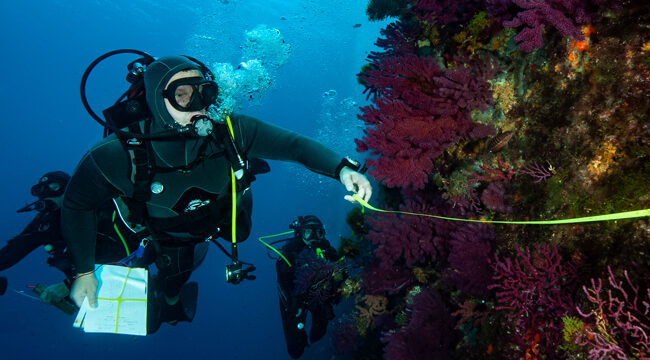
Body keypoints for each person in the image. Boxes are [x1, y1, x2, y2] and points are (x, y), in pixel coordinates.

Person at [63, 54, 373, 332]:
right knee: (173, 273)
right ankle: (166, 294)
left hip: (220, 213)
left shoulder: (231, 129)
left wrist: (341, 169)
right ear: (159, 101)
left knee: (240, 232)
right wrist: (84, 271)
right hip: (164, 231)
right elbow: (77, 204)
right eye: (182, 95)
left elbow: (292, 145)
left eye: (204, 93)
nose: (197, 104)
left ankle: (242, 172)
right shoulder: (116, 154)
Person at [0, 171, 135, 312]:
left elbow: (120, 253)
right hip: (87, 289)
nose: (48, 199)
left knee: (148, 322)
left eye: (54, 189)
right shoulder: (47, 221)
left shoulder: (96, 212)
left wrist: (69, 284)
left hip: (124, 280)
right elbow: (15, 249)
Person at [276, 215, 343, 359]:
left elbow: (341, 268)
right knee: (294, 348)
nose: (313, 237)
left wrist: (336, 286)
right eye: (308, 232)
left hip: (318, 295)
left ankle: (316, 346)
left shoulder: (326, 248)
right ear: (301, 233)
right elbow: (281, 275)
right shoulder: (291, 250)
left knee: (320, 330)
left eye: (317, 232)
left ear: (322, 233)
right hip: (293, 298)